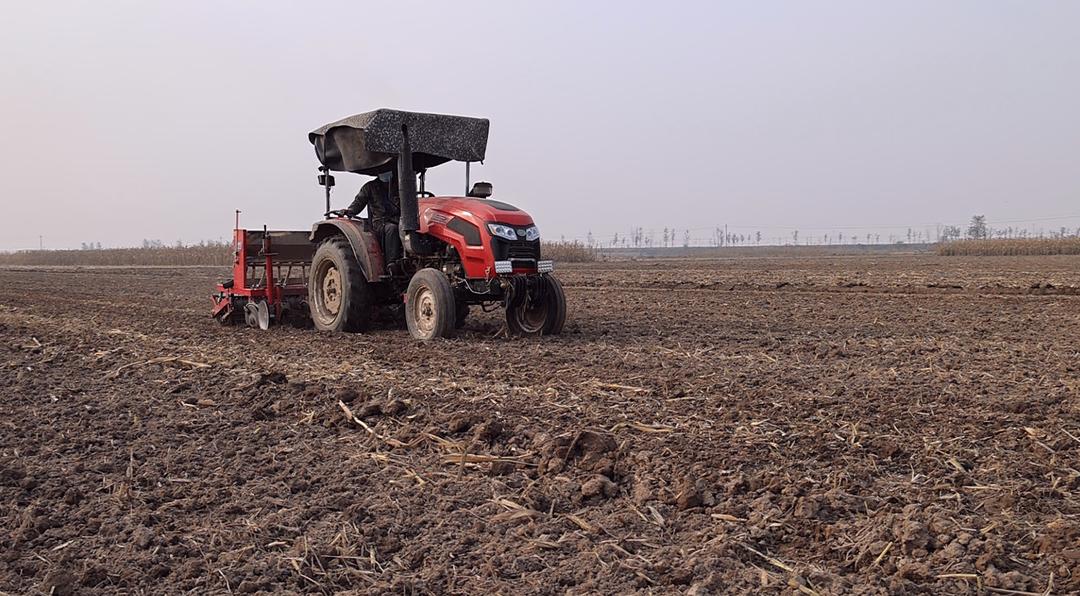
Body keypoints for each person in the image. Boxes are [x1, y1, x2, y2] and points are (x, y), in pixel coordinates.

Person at [345, 170, 402, 264]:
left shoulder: (400, 186)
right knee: (392, 229)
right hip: (380, 223)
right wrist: (350, 210)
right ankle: (391, 263)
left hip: (400, 220)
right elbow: (359, 202)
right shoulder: (370, 187)